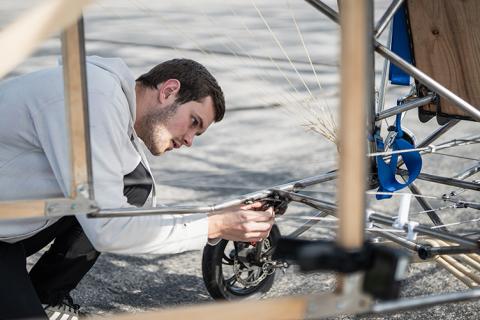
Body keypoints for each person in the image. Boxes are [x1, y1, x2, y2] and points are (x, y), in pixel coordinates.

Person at [0, 56, 275, 319]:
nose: (190, 140)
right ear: (169, 90)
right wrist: (214, 225)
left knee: (135, 186)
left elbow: (134, 214)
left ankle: (45, 297)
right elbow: (108, 228)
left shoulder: (115, 111)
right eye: (194, 122)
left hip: (10, 229)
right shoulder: (94, 102)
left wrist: (215, 215)